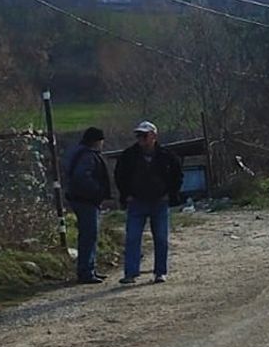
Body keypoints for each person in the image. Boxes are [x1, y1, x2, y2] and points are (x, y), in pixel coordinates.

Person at [114, 121, 183, 285]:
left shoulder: (167, 156)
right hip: (136, 202)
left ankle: (160, 272)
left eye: (144, 135)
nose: (140, 139)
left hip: (160, 202)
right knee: (132, 238)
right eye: (138, 136)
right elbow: (119, 176)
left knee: (161, 238)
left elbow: (177, 176)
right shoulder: (128, 155)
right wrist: (126, 195)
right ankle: (130, 273)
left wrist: (170, 194)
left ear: (153, 136)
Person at [63, 127, 112, 284]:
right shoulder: (88, 156)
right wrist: (98, 191)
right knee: (89, 235)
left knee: (88, 235)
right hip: (86, 201)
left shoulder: (77, 153)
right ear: (97, 141)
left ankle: (89, 268)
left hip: (78, 199)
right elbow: (82, 177)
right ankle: (86, 271)